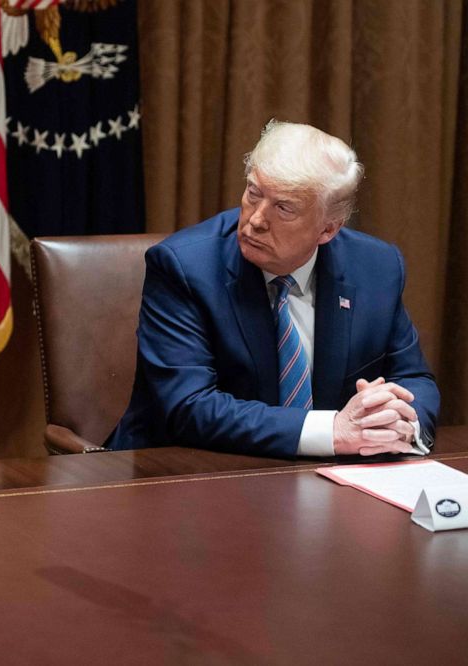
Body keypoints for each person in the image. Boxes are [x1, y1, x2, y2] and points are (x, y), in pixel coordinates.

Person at [109, 120, 439, 458]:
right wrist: (334, 431)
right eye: (254, 193)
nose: (256, 220)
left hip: (327, 484)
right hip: (184, 475)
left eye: (284, 207)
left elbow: (413, 379)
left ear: (327, 229)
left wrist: (400, 425)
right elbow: (189, 407)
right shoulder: (184, 267)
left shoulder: (376, 267)